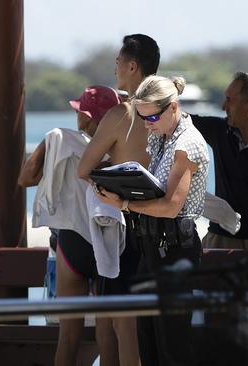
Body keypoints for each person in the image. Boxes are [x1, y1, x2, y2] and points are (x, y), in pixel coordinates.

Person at [95, 75, 209, 366]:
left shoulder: (187, 143)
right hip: (151, 245)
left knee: (172, 344)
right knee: (148, 342)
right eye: (143, 118)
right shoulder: (161, 135)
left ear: (173, 107)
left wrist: (124, 203)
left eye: (153, 117)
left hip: (175, 248)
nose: (148, 124)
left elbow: (171, 206)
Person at [18, 85, 122, 366]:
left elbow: (25, 179)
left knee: (68, 336)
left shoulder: (60, 142)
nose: (76, 118)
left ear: (88, 117)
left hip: (72, 242)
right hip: (106, 241)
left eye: (79, 112)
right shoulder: (120, 146)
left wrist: (48, 146)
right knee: (107, 333)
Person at [77, 33, 160, 366]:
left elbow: (85, 169)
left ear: (132, 66)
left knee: (123, 324)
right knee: (152, 327)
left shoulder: (121, 114)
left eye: (117, 64)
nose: (115, 71)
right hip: (164, 223)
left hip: (127, 224)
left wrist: (112, 173)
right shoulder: (169, 112)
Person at [190, 72, 248, 250]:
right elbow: (177, 120)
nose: (223, 107)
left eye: (230, 100)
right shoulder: (219, 130)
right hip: (220, 239)